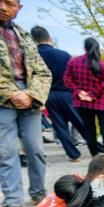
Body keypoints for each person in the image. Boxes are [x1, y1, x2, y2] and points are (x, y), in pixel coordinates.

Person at [0, 0, 52, 207]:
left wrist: (31, 94)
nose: (3, 7)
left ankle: (38, 192)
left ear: (18, 8)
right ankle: (13, 201)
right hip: (3, 99)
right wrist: (11, 93)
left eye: (10, 3)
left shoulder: (25, 36)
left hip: (30, 97)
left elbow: (43, 72)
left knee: (36, 149)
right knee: (5, 151)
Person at [31, 25, 86, 162]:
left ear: (33, 39)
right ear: (49, 38)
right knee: (79, 122)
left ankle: (73, 154)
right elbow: (74, 75)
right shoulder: (63, 55)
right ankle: (96, 147)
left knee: (59, 125)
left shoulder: (33, 56)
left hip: (48, 95)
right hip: (66, 93)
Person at [64, 37, 104, 156]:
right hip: (102, 102)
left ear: (84, 48)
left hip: (83, 103)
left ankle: (95, 157)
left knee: (90, 131)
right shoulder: (103, 65)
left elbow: (67, 79)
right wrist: (93, 94)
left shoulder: (73, 62)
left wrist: (79, 92)